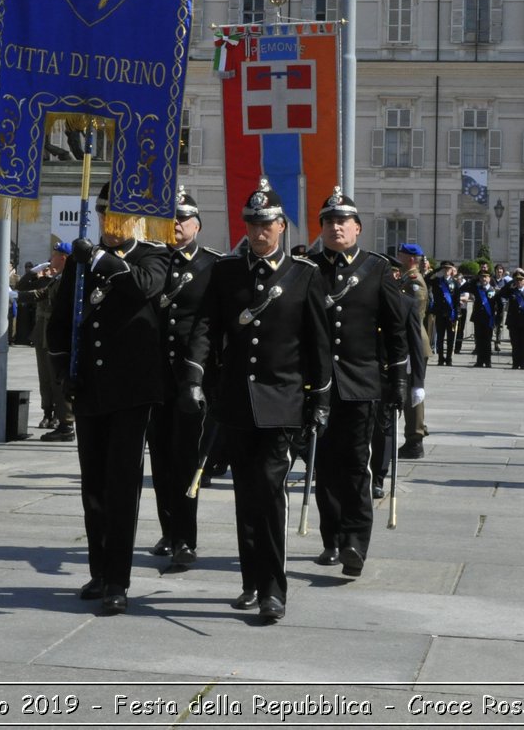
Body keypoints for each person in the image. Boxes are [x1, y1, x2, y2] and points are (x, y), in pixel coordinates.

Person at [184, 178, 331, 622]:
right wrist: (194, 373)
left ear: (282, 226)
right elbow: (207, 327)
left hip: (282, 399)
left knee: (269, 493)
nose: (258, 233)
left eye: (266, 225)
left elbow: (318, 344)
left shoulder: (305, 276)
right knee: (245, 495)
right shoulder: (227, 272)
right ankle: (250, 580)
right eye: (251, 225)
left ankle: (273, 588)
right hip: (235, 402)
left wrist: (320, 400)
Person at [45, 183, 171, 616]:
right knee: (94, 488)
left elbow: (142, 288)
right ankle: (99, 571)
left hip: (131, 392)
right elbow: (59, 324)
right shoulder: (80, 265)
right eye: (104, 217)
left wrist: (98, 257)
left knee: (121, 488)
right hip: (91, 390)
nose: (109, 225)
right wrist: (64, 371)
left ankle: (118, 579)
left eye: (117, 218)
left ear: (134, 220)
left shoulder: (152, 255)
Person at [308, 187, 408, 578]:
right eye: (329, 222)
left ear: (357, 229)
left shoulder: (377, 269)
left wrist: (398, 381)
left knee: (354, 464)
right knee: (323, 466)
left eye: (342, 222)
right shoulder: (308, 267)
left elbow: (397, 330)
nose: (335, 228)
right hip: (317, 386)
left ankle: (354, 541)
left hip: (360, 382)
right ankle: (330, 538)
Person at [147, 188, 221, 568]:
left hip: (193, 378)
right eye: (170, 219)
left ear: (197, 225)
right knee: (159, 458)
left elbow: (213, 326)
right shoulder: (154, 260)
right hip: (155, 376)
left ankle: (185, 539)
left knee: (187, 459)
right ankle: (169, 528)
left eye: (182, 220)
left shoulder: (213, 266)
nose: (176, 225)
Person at [16, 243, 72, 434]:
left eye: (54, 255)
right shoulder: (48, 278)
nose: (50, 259)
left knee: (56, 377)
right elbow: (21, 287)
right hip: (41, 332)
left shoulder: (65, 280)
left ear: (63, 257)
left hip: (55, 333)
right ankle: (47, 412)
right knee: (44, 377)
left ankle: (59, 415)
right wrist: (33, 272)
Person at [393, 242, 431, 460]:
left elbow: (412, 315)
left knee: (412, 392)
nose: (397, 257)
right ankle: (414, 436)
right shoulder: (406, 279)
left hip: (413, 341)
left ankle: (415, 439)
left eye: (401, 255)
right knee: (408, 392)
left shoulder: (414, 283)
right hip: (410, 341)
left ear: (410, 259)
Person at [464, 268, 498, 368]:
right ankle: (479, 361)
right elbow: (463, 287)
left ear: (489, 278)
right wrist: (475, 278)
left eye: (486, 276)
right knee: (479, 340)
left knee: (487, 341)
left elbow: (499, 305)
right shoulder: (476, 288)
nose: (483, 279)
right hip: (478, 318)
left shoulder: (493, 290)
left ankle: (488, 361)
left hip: (488, 318)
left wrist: (497, 318)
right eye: (482, 276)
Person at [503, 270, 524, 370]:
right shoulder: (511, 291)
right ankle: (515, 363)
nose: (519, 281)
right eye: (517, 279)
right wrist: (511, 283)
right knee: (515, 344)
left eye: (521, 279)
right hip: (514, 322)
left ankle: (523, 364)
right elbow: (501, 293)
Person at [429, 262, 459, 366]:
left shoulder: (455, 283)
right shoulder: (437, 281)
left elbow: (456, 299)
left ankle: (449, 358)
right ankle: (441, 358)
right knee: (440, 338)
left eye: (448, 268)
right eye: (444, 268)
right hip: (440, 313)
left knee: (450, 338)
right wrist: (437, 270)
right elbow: (428, 279)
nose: (446, 270)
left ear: (452, 270)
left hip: (451, 315)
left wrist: (457, 314)